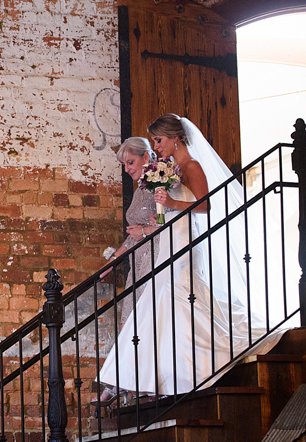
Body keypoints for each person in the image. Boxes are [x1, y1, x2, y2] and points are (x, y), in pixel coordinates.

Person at [96, 114, 268, 403]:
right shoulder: (169, 168)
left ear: (175, 138)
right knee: (158, 304)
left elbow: (205, 204)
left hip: (186, 240)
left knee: (180, 295)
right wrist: (157, 219)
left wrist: (171, 203)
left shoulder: (191, 166)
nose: (156, 146)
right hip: (170, 239)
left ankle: (187, 370)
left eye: (158, 140)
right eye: (153, 141)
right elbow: (167, 211)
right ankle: (150, 379)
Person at [102, 137, 159, 324]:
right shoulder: (140, 189)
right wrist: (113, 260)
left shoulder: (159, 183)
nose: (126, 169)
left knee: (147, 314)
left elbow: (170, 220)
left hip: (155, 256)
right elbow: (133, 234)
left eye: (130, 162)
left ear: (145, 156)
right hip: (139, 258)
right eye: (124, 164)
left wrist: (144, 232)